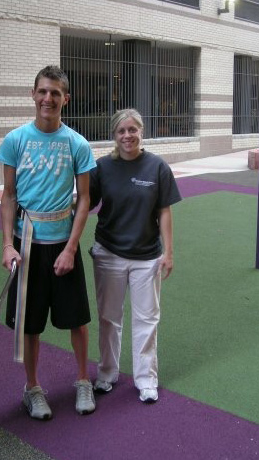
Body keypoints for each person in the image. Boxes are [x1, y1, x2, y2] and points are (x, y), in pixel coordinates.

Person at [0, 65, 96, 420]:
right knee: (30, 323)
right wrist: (8, 244)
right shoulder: (15, 141)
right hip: (27, 246)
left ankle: (83, 380)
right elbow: (8, 196)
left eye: (55, 93)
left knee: (77, 321)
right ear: (33, 94)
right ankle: (33, 389)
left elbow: (83, 199)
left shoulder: (77, 143)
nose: (48, 99)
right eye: (42, 91)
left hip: (62, 243)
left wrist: (71, 248)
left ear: (65, 99)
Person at [89, 108, 182, 403]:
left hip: (146, 257)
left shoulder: (157, 167)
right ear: (114, 136)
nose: (127, 136)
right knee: (108, 318)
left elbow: (164, 211)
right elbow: (84, 204)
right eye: (121, 131)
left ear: (142, 132)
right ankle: (107, 373)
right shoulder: (102, 168)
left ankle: (146, 379)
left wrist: (169, 252)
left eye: (132, 130)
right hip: (109, 254)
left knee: (147, 319)